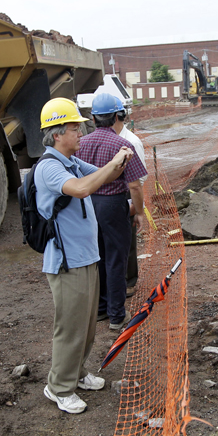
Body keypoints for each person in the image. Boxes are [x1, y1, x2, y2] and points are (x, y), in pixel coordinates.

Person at [35, 97, 133, 414]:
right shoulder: (49, 168)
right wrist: (113, 158)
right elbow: (81, 189)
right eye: (74, 127)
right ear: (56, 134)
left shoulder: (73, 162)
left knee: (88, 325)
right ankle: (59, 387)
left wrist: (120, 156)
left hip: (86, 258)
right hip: (66, 263)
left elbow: (108, 176)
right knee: (71, 327)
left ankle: (76, 374)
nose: (80, 132)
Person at [74, 93, 148, 331]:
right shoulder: (122, 146)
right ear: (119, 115)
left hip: (87, 205)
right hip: (114, 205)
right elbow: (135, 184)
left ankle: (100, 310)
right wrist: (139, 211)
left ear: (93, 118)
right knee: (117, 260)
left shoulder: (81, 143)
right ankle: (117, 316)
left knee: (97, 258)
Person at [118, 115, 147, 298]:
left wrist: (137, 208)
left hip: (126, 193)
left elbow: (138, 182)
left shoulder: (132, 142)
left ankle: (129, 281)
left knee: (128, 241)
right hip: (107, 196)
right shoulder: (102, 139)